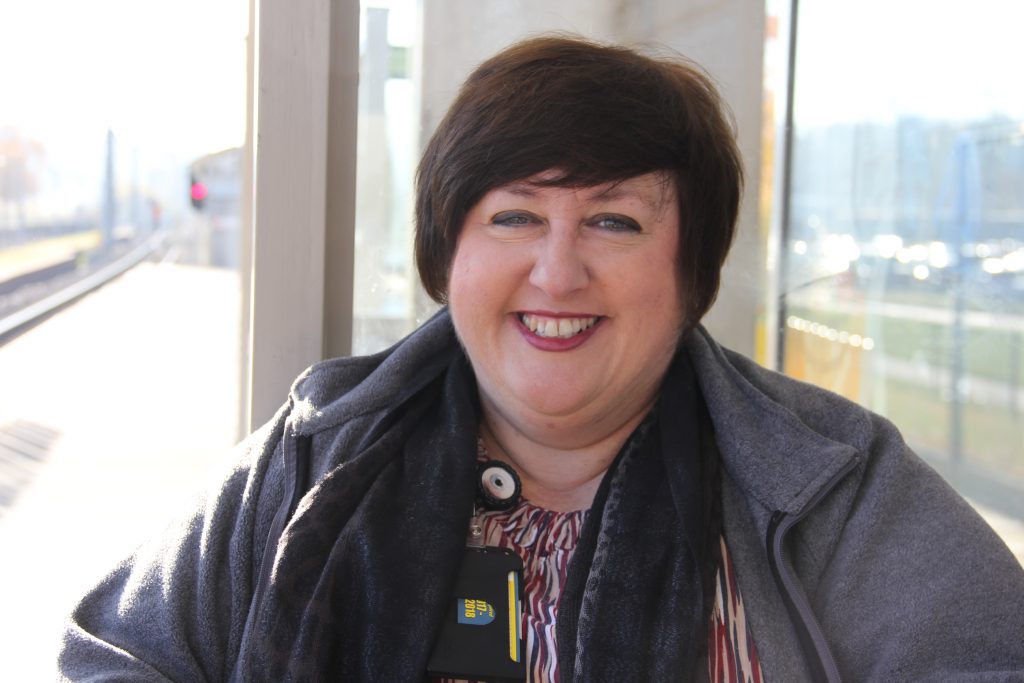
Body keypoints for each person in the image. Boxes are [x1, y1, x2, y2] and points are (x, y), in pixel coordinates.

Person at [60, 36, 1024, 682]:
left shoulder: (828, 481)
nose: (557, 272)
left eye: (614, 221)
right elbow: (112, 654)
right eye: (514, 216)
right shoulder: (317, 450)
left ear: (692, 272)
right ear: (446, 258)